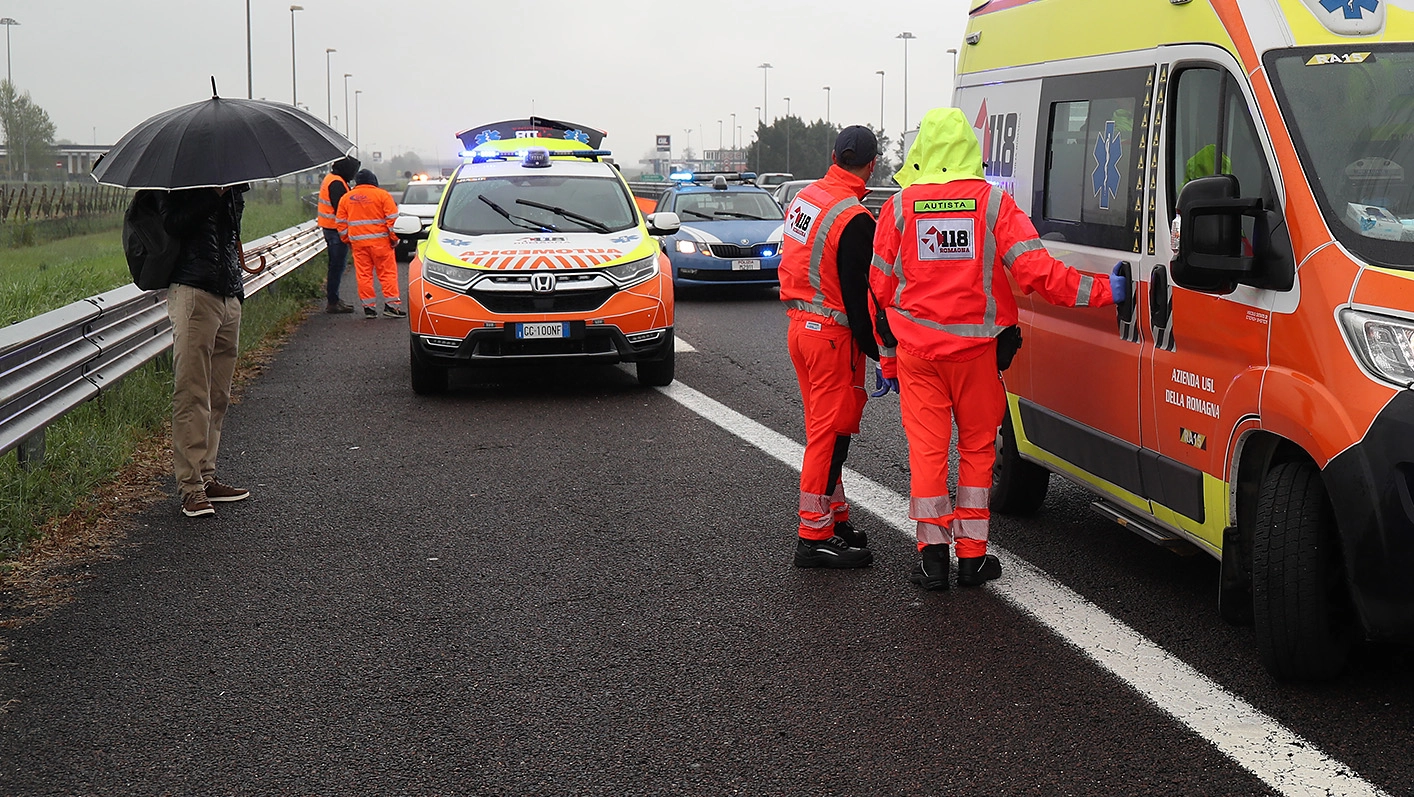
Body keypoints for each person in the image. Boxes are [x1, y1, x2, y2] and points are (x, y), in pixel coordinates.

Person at [870, 107, 1129, 589]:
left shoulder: (899, 208)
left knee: (927, 454)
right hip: (977, 357)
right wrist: (1104, 292)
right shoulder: (991, 205)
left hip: (918, 357)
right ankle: (972, 558)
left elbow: (879, 288)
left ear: (922, 151)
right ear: (970, 148)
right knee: (976, 452)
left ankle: (932, 559)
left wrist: (886, 357)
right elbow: (1037, 274)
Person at [780, 125, 896, 569]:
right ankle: (812, 535)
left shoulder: (806, 198)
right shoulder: (855, 219)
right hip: (832, 337)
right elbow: (859, 299)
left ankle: (834, 518)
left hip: (801, 328)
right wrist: (885, 355)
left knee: (830, 431)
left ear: (833, 155)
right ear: (872, 165)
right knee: (829, 437)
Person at [162, 184, 253, 518]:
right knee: (192, 392)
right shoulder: (174, 183)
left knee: (219, 393)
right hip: (194, 290)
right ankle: (191, 486)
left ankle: (207, 473)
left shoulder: (232, 183)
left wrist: (231, 193)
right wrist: (211, 194)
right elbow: (173, 225)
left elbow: (231, 233)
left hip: (229, 292)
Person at [336, 169, 405, 319]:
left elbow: (341, 224)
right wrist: (394, 239)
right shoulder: (383, 195)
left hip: (358, 244)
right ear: (374, 181)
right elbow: (393, 220)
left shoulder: (346, 198)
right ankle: (392, 306)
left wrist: (348, 240)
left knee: (364, 275)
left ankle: (369, 308)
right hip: (381, 243)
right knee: (387, 274)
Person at [317, 156, 360, 314]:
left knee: (336, 266)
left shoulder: (333, 178)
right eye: (353, 171)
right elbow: (342, 209)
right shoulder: (336, 183)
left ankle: (334, 300)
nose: (354, 175)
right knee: (337, 266)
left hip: (330, 228)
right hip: (335, 230)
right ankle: (333, 301)